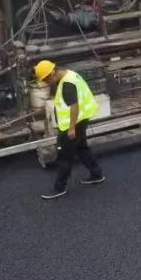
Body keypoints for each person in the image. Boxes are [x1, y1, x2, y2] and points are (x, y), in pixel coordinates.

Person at [34, 60, 104, 199]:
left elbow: (74, 107)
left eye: (46, 80)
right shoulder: (70, 74)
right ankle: (97, 174)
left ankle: (59, 188)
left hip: (72, 124)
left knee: (64, 156)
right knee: (81, 147)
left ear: (51, 74)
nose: (47, 83)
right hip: (82, 119)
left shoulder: (67, 85)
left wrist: (71, 128)